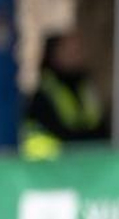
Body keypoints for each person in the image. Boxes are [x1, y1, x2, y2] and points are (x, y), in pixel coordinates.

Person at [20, 30, 109, 160]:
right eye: (71, 50)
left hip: (87, 163)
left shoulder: (85, 87)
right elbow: (60, 134)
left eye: (79, 49)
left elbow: (101, 127)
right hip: (50, 167)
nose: (78, 55)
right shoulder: (45, 92)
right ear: (54, 54)